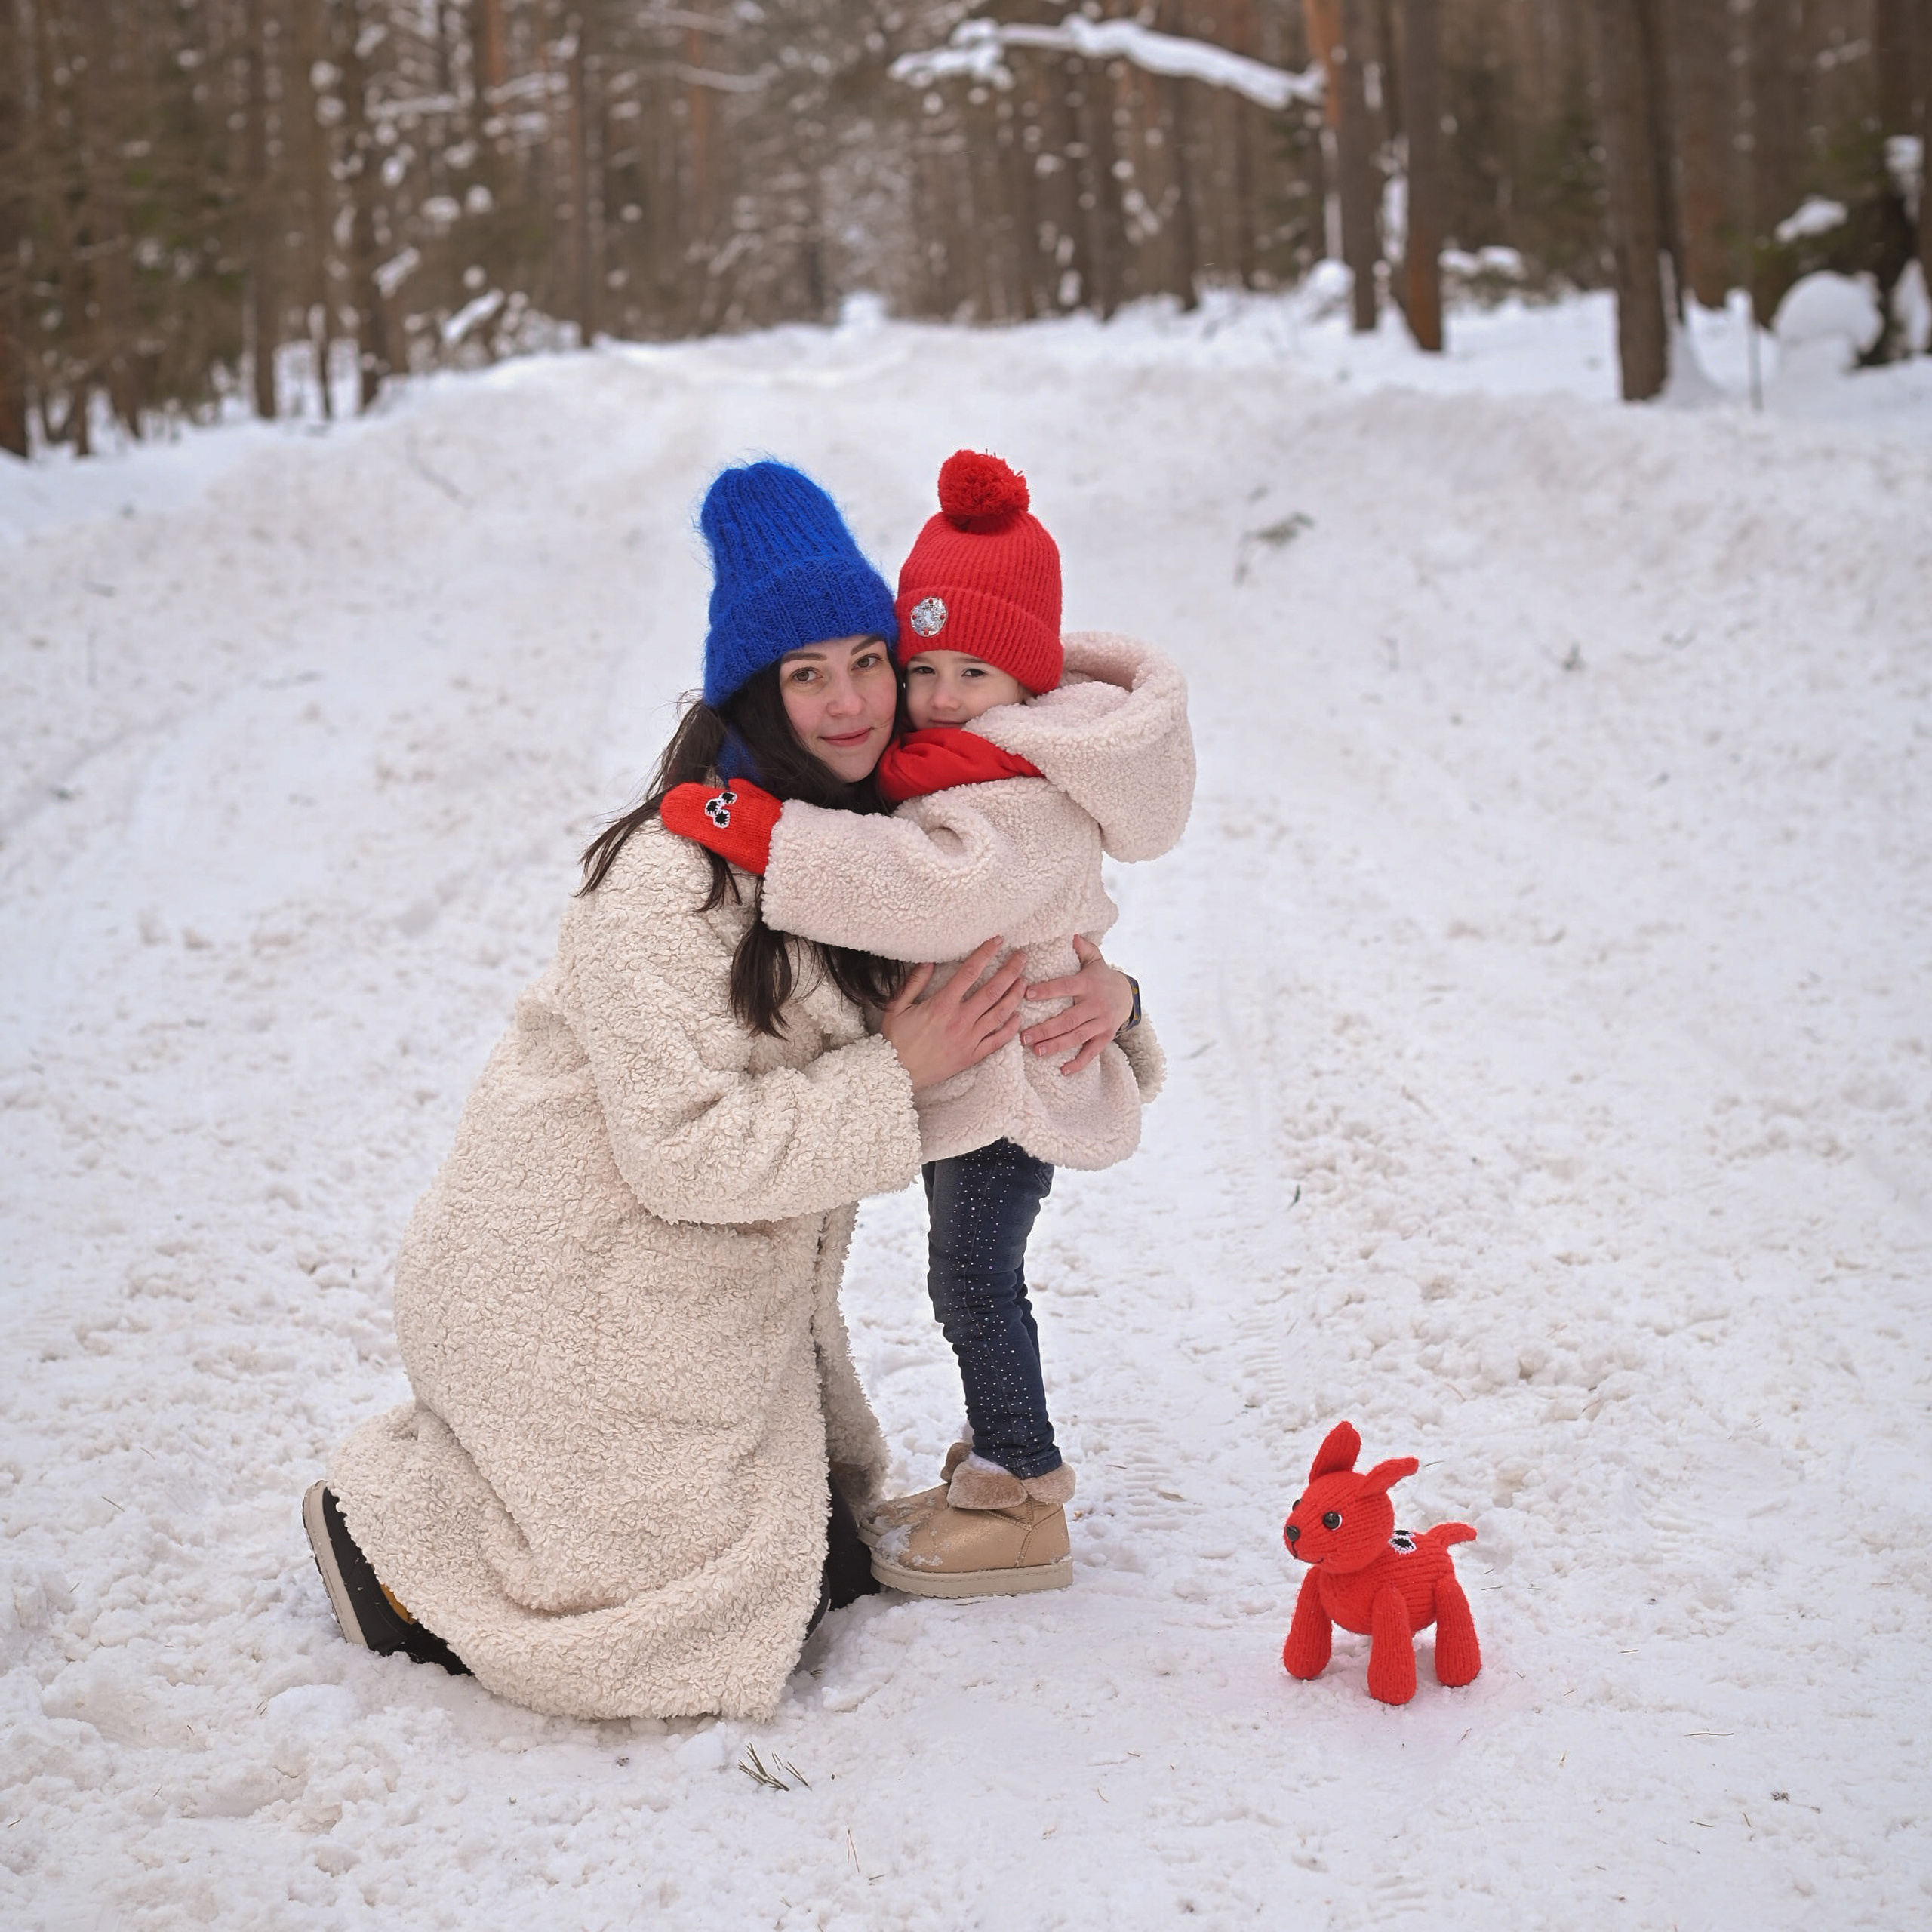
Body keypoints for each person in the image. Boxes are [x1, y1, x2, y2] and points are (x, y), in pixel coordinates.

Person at [302, 459, 1137, 1721]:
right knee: (673, 1626)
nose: (855, 704)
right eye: (810, 675)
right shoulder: (668, 878)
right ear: (755, 690)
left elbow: (1013, 951)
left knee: (819, 1559)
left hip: (717, 1286)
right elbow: (682, 1157)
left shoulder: (881, 845)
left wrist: (1117, 1001)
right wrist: (895, 1076)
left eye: (870, 660)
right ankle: (388, 1556)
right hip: (574, 1282)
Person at [660, 451, 1192, 1598]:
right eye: (927, 665)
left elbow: (925, 888)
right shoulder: (962, 762)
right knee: (965, 1276)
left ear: (1032, 683)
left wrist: (764, 834)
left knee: (972, 1278)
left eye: (976, 673)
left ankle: (1022, 1487)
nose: (940, 696)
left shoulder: (1015, 786)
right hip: (988, 1064)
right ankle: (993, 1467)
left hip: (1011, 1080)